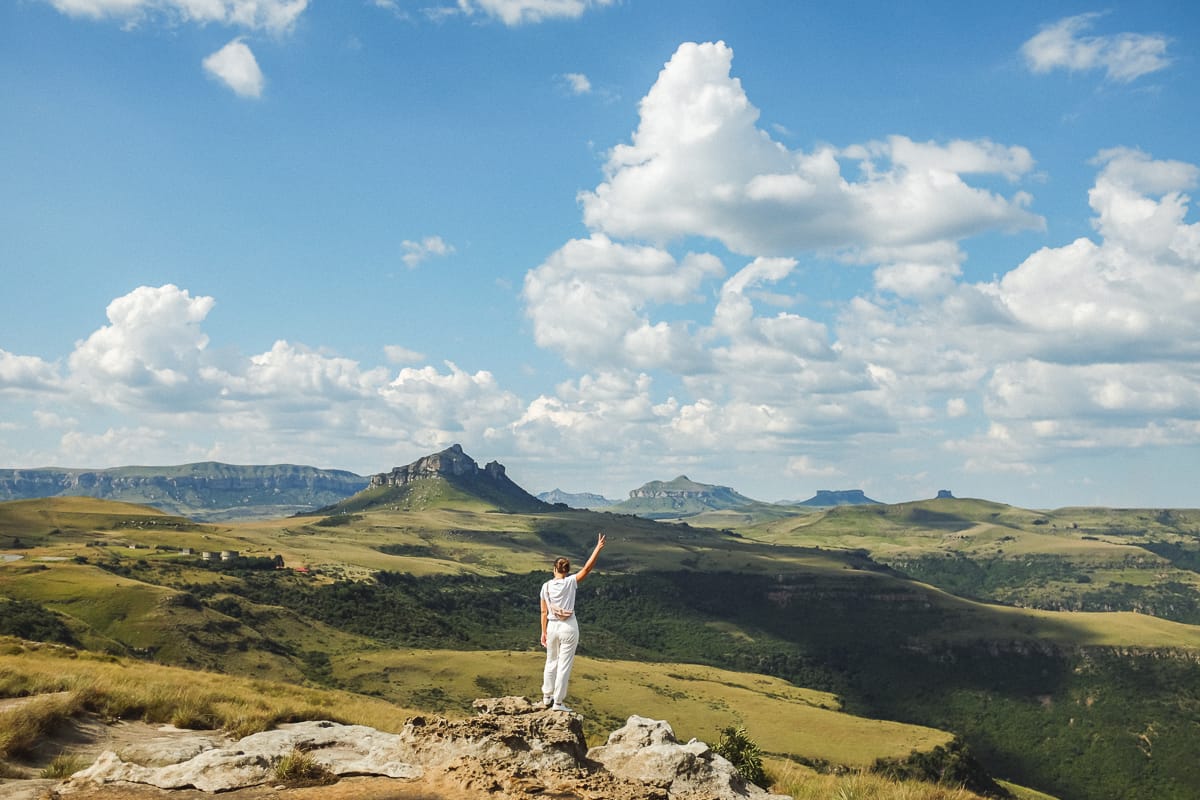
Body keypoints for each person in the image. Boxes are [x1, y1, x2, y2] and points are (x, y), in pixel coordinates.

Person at [539, 532, 606, 712]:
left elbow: (544, 611)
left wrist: (543, 632)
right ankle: (558, 703)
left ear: (554, 569)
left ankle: (547, 696)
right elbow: (587, 568)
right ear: (567, 570)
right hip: (569, 626)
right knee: (564, 664)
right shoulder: (570, 582)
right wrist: (597, 548)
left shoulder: (545, 586)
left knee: (551, 661)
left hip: (552, 626)